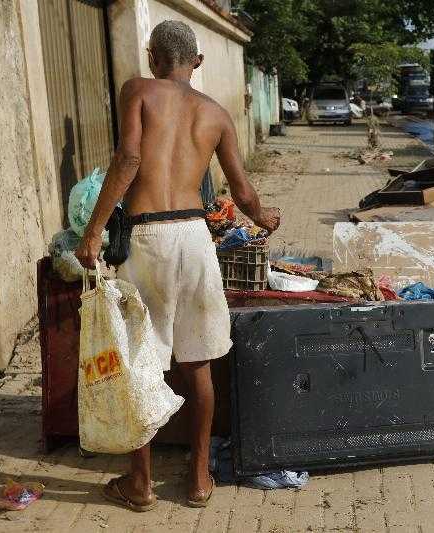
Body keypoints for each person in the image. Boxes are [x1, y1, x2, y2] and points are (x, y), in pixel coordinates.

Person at [75, 20, 280, 511]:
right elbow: (244, 194)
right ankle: (199, 477)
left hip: (147, 238)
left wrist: (94, 229)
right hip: (195, 237)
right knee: (197, 362)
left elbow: (128, 158)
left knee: (141, 362)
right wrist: (266, 218)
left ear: (152, 57)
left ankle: (140, 483)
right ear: (199, 62)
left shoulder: (138, 90)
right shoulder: (216, 113)